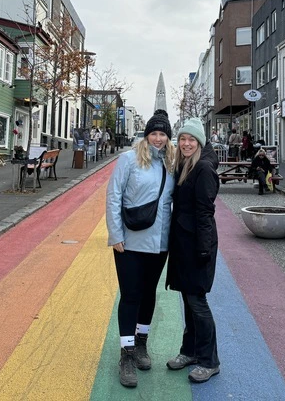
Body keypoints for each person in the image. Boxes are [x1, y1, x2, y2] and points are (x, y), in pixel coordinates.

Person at [106, 109, 175, 388]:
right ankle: (127, 353)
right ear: (146, 135)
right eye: (154, 133)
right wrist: (115, 234)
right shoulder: (128, 160)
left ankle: (142, 342)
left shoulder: (171, 164)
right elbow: (114, 196)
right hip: (131, 242)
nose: (158, 138)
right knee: (131, 295)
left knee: (149, 294)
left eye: (163, 134)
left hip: (160, 243)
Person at [166, 117, 221, 384]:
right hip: (185, 243)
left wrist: (203, 251)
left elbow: (204, 213)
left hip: (198, 245)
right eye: (183, 139)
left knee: (198, 302)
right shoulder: (185, 164)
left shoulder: (204, 169)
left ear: (199, 142)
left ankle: (210, 361)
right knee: (189, 301)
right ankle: (190, 351)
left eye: (192, 140)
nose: (186, 143)